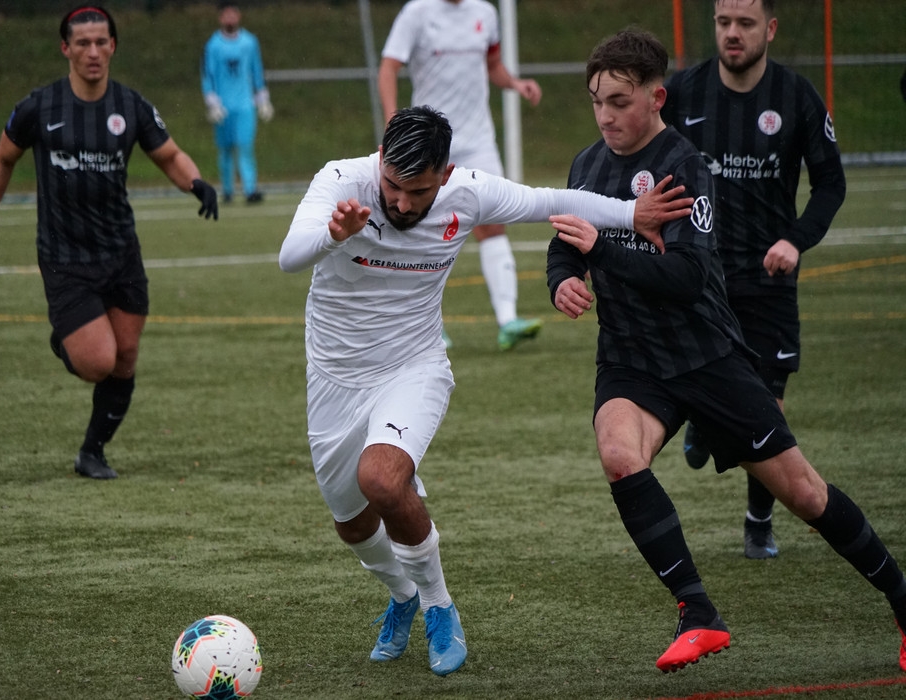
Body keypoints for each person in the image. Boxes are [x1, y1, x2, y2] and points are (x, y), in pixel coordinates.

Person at [279, 105, 692, 676]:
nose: (402, 203)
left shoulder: (468, 193)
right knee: (351, 522)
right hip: (334, 377)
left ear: (445, 176)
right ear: (379, 160)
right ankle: (402, 595)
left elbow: (550, 201)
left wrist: (629, 213)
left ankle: (438, 605)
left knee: (382, 479)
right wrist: (332, 234)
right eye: (392, 186)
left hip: (413, 367)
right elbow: (289, 257)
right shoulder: (342, 181)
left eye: (418, 191)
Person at [546, 28, 906, 673]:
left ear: (655, 98)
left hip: (706, 356)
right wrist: (563, 279)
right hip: (631, 358)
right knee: (619, 456)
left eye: (619, 101)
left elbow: (686, 279)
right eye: (597, 101)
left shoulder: (684, 167)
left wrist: (601, 251)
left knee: (805, 494)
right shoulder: (587, 165)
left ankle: (903, 602)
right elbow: (565, 243)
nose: (605, 116)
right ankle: (699, 613)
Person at [0, 5, 218, 480]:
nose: (93, 52)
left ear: (113, 46)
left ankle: (92, 452)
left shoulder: (131, 106)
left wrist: (196, 183)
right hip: (65, 257)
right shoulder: (39, 107)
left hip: (121, 252)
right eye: (82, 43)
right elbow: (2, 160)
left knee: (125, 357)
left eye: (101, 42)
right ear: (66, 48)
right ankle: (67, 341)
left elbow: (168, 154)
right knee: (98, 361)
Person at [662, 0, 846, 560]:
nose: (732, 33)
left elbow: (831, 184)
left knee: (769, 408)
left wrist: (795, 240)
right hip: (700, 275)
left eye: (745, 23)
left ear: (770, 28)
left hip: (769, 278)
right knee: (697, 379)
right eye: (724, 23)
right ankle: (703, 419)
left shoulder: (796, 97)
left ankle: (758, 519)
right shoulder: (683, 92)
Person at [378, 0, 545, 351]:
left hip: (478, 141)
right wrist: (394, 121)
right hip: (431, 143)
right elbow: (388, 68)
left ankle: (508, 320)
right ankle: (424, 325)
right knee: (420, 228)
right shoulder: (417, 13)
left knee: (493, 224)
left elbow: (493, 66)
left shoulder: (485, 13)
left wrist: (515, 84)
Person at [201, 0, 272, 205]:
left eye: (233, 14)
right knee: (225, 149)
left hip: (245, 105)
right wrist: (212, 101)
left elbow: (256, 70)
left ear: (238, 16)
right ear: (220, 18)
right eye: (226, 14)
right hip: (223, 106)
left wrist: (263, 98)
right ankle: (227, 190)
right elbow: (208, 75)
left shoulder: (249, 42)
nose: (230, 18)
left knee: (245, 147)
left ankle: (250, 189)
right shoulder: (213, 45)